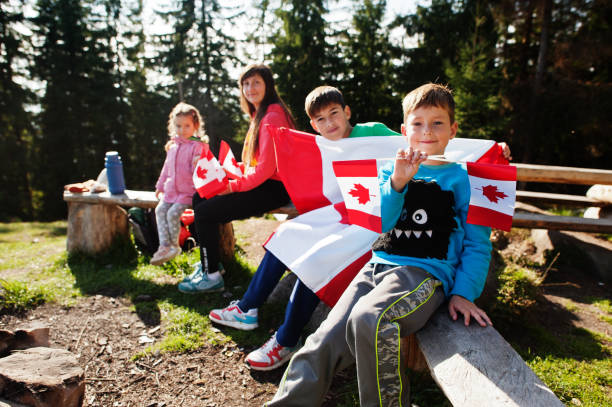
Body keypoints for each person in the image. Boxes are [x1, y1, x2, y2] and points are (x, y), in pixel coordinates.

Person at [265, 83, 494, 407]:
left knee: (371, 319)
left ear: (453, 129)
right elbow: (382, 223)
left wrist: (463, 294)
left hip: (423, 273)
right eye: (417, 123)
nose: (426, 131)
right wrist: (398, 183)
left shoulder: (468, 179)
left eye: (437, 123)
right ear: (404, 130)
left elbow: (478, 244)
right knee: (322, 341)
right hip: (376, 267)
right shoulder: (393, 169)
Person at [209, 86, 401, 371]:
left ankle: (286, 340)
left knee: (317, 259)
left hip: (375, 219)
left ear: (347, 112)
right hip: (339, 215)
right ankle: (248, 308)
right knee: (287, 234)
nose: (329, 123)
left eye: (334, 113)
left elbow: (417, 145)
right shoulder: (321, 146)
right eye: (320, 120)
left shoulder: (372, 131)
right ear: (313, 125)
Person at [178, 64, 295, 293]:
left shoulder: (271, 115)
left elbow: (266, 169)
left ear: (268, 85)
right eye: (246, 83)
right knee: (200, 197)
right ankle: (211, 264)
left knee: (205, 212)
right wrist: (228, 170)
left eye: (256, 82)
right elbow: (258, 164)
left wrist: (232, 186)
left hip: (275, 188)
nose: (250, 88)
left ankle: (211, 277)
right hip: (266, 183)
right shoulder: (260, 114)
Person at [150, 102, 205, 266]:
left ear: (195, 126)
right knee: (160, 210)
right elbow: (166, 169)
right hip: (171, 191)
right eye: (178, 126)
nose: (182, 130)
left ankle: (174, 246)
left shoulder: (198, 146)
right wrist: (159, 186)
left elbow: (203, 169)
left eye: (187, 126)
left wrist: (198, 162)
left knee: (173, 214)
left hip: (188, 192)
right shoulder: (173, 146)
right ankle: (164, 246)